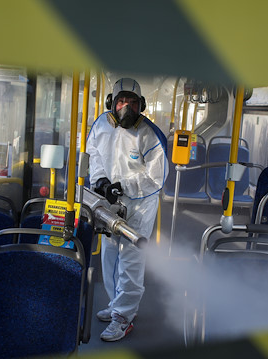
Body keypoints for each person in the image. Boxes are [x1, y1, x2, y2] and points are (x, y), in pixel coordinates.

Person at [86, 78, 168, 342]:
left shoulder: (150, 134)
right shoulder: (101, 125)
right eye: (122, 101)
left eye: (133, 103)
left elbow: (156, 177)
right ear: (112, 102)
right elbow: (94, 155)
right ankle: (115, 304)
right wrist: (100, 181)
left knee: (131, 260)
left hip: (140, 204)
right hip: (110, 199)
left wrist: (123, 185)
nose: (126, 108)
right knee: (110, 255)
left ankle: (124, 318)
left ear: (141, 105)